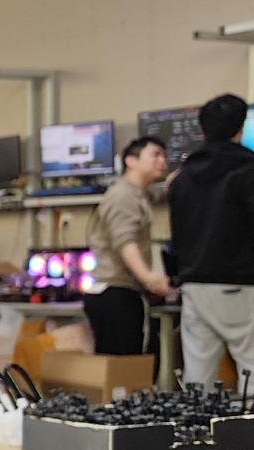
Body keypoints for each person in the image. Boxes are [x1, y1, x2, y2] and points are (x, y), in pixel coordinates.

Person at [168, 93, 254, 388]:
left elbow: (177, 235)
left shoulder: (182, 177)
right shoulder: (248, 171)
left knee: (198, 377)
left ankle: (195, 420)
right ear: (240, 129)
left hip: (194, 285)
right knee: (251, 367)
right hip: (241, 284)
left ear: (202, 129)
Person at [83, 135, 170, 354]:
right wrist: (148, 278)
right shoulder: (123, 196)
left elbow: (156, 194)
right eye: (155, 155)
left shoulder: (138, 193)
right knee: (127, 365)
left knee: (125, 364)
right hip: (117, 294)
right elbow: (125, 241)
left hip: (115, 293)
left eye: (164, 156)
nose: (163, 161)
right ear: (131, 161)